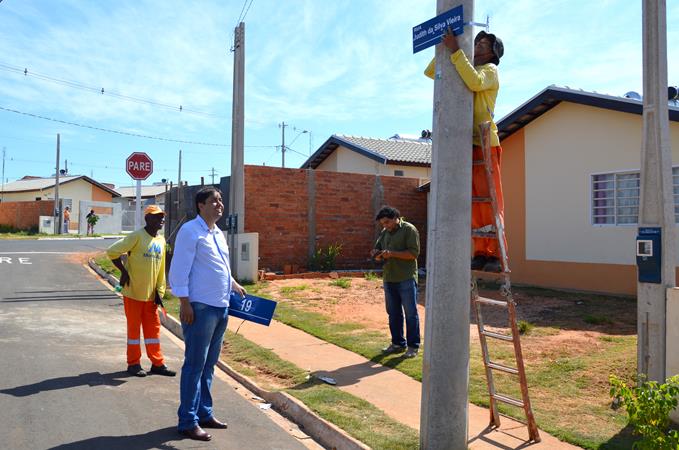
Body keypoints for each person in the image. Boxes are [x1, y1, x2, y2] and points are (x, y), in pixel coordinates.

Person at [169, 187, 246, 442]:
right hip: (199, 308)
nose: (220, 204)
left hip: (221, 307)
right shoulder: (190, 231)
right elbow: (179, 270)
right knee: (194, 365)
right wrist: (184, 303)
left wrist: (234, 284)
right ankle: (187, 421)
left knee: (209, 366)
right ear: (200, 205)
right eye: (214, 201)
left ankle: (204, 412)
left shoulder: (217, 234)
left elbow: (221, 267)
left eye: (221, 200)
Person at [425, 30, 506, 273]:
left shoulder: (490, 70)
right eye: (478, 40)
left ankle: (495, 254)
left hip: (484, 141)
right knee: (473, 202)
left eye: (484, 43)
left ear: (493, 53)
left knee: (489, 201)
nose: (479, 44)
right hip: (463, 141)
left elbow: (475, 83)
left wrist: (457, 51)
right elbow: (432, 73)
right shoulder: (463, 64)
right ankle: (481, 252)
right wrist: (443, 48)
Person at [107, 205, 175, 378]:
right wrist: (123, 271)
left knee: (153, 331)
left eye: (162, 217)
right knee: (134, 330)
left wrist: (160, 290)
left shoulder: (161, 241)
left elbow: (161, 269)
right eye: (156, 217)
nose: (161, 220)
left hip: (152, 296)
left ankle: (157, 363)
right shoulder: (136, 236)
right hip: (133, 293)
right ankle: (133, 363)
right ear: (147, 219)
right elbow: (112, 251)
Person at [370, 206, 421, 358]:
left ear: (395, 218)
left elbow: (413, 254)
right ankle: (397, 343)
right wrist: (375, 253)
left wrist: (392, 254)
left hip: (406, 278)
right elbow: (377, 248)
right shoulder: (385, 232)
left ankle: (413, 347)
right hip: (389, 278)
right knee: (393, 313)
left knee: (411, 314)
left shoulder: (409, 230)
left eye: (387, 222)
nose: (385, 226)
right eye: (382, 224)